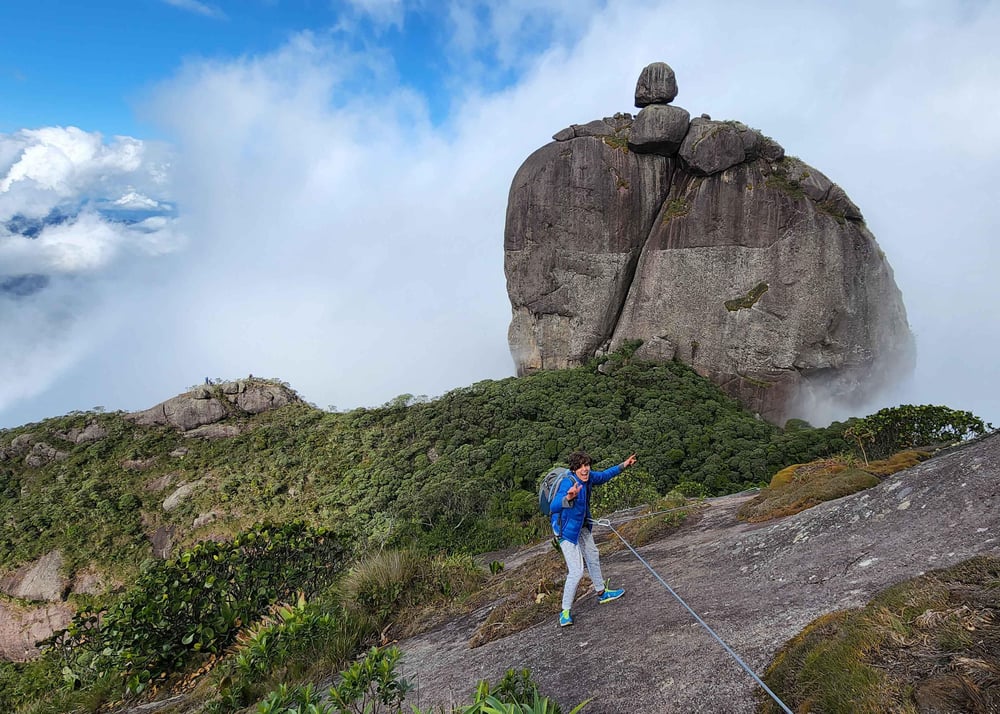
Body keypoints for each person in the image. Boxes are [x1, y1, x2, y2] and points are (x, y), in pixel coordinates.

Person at [550, 450, 637, 627]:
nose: (585, 469)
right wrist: (568, 496)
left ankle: (601, 593)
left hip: (581, 525)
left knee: (593, 555)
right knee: (576, 571)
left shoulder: (589, 478)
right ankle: (565, 611)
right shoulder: (568, 482)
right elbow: (554, 506)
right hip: (565, 531)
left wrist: (624, 465)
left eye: (587, 465)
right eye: (580, 466)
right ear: (574, 469)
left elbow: (604, 475)